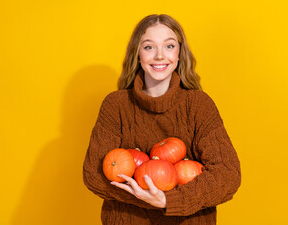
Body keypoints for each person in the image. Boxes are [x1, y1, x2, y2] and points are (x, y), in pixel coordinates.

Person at [83, 14, 241, 224]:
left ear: (179, 54)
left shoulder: (199, 105)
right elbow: (94, 174)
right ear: (138, 55)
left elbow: (228, 174)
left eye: (169, 46)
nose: (159, 55)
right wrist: (150, 198)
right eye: (149, 47)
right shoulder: (115, 105)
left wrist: (168, 200)